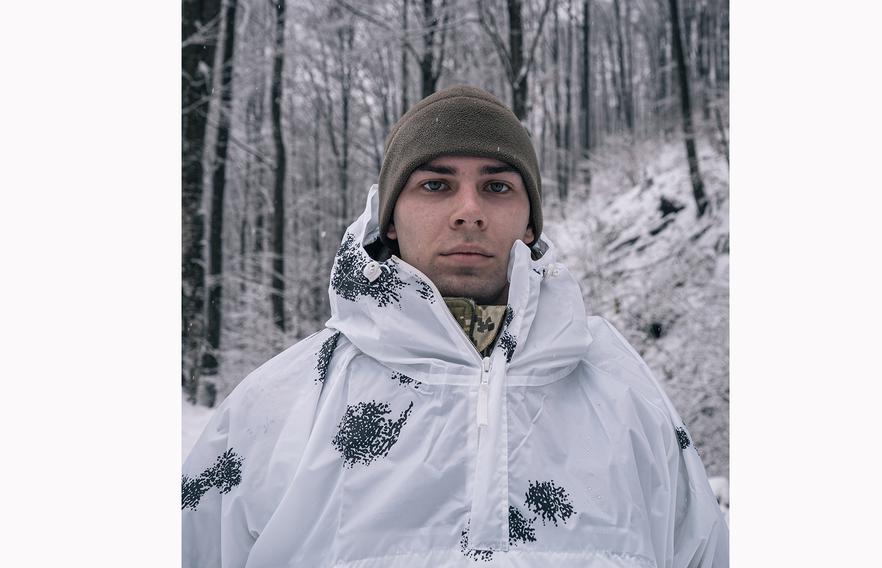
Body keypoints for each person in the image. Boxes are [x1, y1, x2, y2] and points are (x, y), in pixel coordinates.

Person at [182, 85, 729, 567]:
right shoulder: (279, 404)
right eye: (435, 186)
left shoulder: (626, 401)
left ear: (531, 220)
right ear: (390, 219)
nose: (468, 210)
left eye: (497, 187)